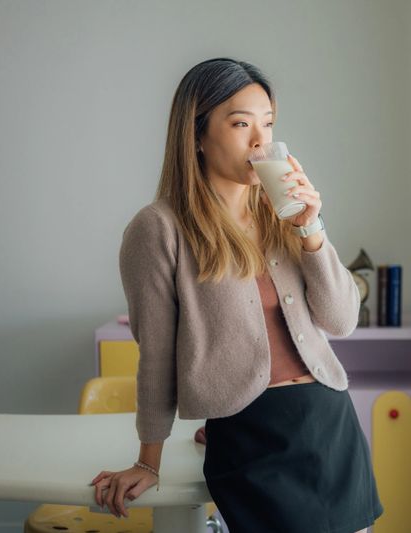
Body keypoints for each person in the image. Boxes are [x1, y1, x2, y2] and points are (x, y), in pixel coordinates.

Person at [89, 58, 384, 533]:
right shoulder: (158, 229)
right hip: (250, 437)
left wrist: (311, 230)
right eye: (241, 123)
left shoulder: (283, 215)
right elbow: (157, 355)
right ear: (196, 135)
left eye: (268, 124)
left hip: (330, 425)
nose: (259, 141)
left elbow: (341, 319)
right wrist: (148, 460)